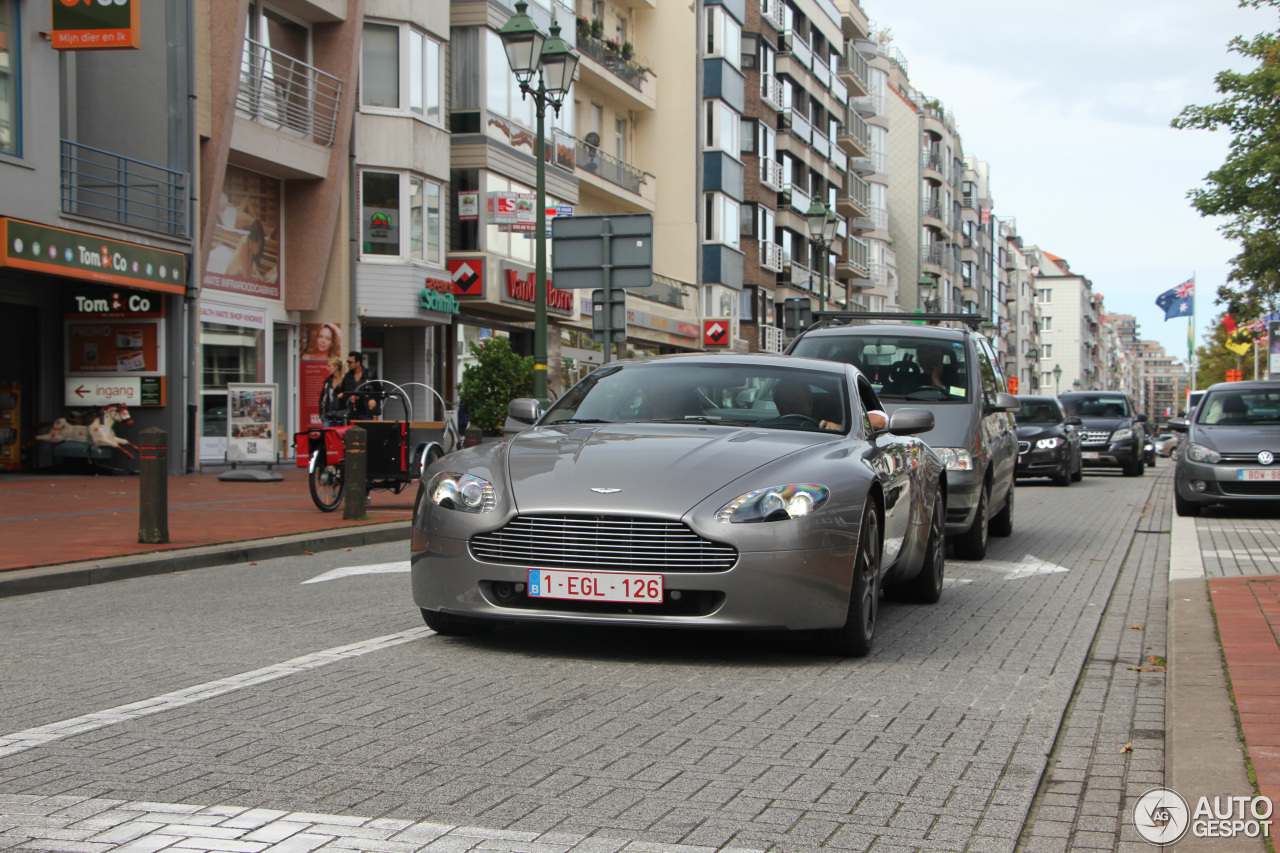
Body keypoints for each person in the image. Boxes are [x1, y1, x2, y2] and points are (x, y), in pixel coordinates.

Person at [337, 351, 381, 418]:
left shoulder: (370, 374)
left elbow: (380, 391)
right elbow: (342, 392)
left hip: (367, 412)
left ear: (358, 363)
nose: (348, 364)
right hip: (352, 412)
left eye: (350, 362)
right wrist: (347, 395)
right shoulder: (347, 376)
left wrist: (374, 400)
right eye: (347, 362)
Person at [318, 356, 345, 426]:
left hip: (339, 415)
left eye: (329, 366)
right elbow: (322, 396)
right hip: (327, 414)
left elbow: (348, 395)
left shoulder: (344, 380)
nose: (327, 369)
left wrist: (343, 394)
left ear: (336, 367)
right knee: (327, 434)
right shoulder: (328, 381)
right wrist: (321, 413)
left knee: (338, 435)